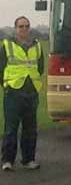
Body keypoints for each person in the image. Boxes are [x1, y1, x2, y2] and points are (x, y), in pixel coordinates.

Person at [2, 16, 43, 171]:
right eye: (21, 26)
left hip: (31, 91)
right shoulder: (7, 45)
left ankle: (28, 160)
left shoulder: (37, 46)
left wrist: (34, 85)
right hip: (13, 91)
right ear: (15, 28)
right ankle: (7, 161)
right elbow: (1, 67)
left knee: (30, 128)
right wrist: (6, 85)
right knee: (11, 128)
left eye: (26, 26)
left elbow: (40, 67)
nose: (24, 29)